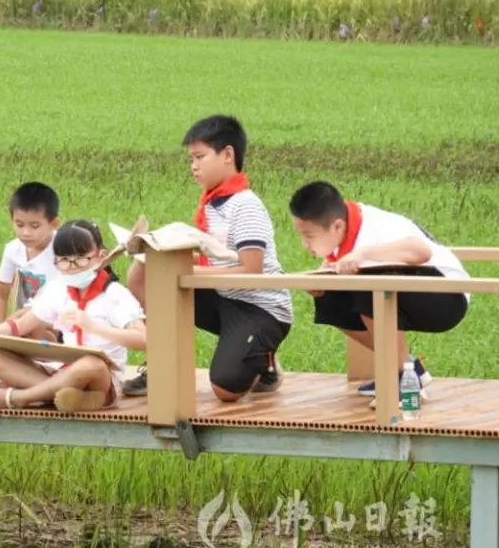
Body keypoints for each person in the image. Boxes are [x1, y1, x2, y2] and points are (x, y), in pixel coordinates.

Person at [124, 115, 292, 402]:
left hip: (259, 308)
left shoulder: (245, 205)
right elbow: (217, 257)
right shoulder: (213, 203)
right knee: (142, 273)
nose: (193, 166)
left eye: (200, 157)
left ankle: (264, 363)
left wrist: (185, 274)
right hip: (223, 296)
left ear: (228, 155)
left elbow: (252, 271)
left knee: (225, 388)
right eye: (190, 159)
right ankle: (162, 366)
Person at [289, 180, 467, 396]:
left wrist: (363, 254)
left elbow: (421, 251)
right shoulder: (347, 227)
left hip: (448, 296)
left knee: (370, 282)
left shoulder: (374, 226)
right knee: (331, 295)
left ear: (336, 226)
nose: (304, 244)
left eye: (308, 236)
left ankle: (401, 378)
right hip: (411, 289)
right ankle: (409, 369)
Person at [0, 220, 146, 413]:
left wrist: (94, 327)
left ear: (100, 257)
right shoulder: (58, 289)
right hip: (63, 371)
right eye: (63, 261)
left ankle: (19, 398)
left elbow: (144, 339)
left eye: (81, 259)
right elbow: (21, 325)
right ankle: (67, 397)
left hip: (102, 380)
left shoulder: (115, 295)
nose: (72, 267)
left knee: (91, 364)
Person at [0, 182, 61, 323]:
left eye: (34, 226)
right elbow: (1, 295)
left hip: (56, 324)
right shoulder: (12, 250)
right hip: (23, 323)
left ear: (53, 224)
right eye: (19, 225)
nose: (26, 233)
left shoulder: (64, 249)